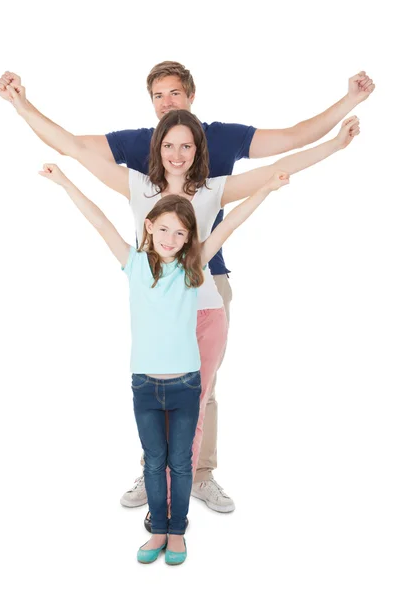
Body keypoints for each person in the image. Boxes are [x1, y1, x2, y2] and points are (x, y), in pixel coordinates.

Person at [0, 61, 371, 514]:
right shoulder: (137, 178)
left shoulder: (215, 180)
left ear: (192, 104)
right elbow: (74, 147)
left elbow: (288, 150)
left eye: (175, 96)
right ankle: (156, 471)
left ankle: (198, 475)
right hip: (157, 298)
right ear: (156, 134)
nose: (176, 147)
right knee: (158, 388)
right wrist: (21, 104)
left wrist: (336, 140)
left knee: (202, 390)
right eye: (159, 97)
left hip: (207, 290)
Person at [39, 162, 290, 564]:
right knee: (154, 461)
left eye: (181, 232)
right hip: (144, 385)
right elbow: (98, 220)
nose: (171, 238)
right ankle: (158, 529)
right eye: (164, 229)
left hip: (186, 384)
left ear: (190, 238)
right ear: (150, 225)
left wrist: (266, 190)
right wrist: (64, 181)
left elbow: (231, 225)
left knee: (181, 461)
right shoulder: (134, 264)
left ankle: (177, 531)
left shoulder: (193, 269)